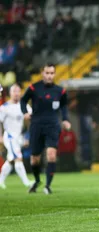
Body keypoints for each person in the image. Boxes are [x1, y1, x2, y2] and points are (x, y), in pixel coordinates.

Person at [20, 63, 71, 194]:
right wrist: (25, 112)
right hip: (36, 125)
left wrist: (65, 119)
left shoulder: (60, 91)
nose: (49, 76)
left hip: (53, 125)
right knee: (35, 158)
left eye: (52, 73)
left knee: (51, 155)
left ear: (54, 74)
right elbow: (23, 101)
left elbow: (64, 106)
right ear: (42, 73)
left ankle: (47, 185)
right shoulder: (33, 88)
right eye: (47, 73)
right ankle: (37, 180)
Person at [0, 84, 34, 189]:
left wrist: (28, 136)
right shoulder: (4, 107)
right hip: (9, 137)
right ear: (10, 93)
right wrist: (0, 136)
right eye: (14, 91)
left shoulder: (24, 106)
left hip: (19, 137)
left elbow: (30, 120)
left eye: (18, 91)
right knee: (18, 158)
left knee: (11, 160)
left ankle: (0, 180)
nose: (16, 93)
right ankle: (27, 182)